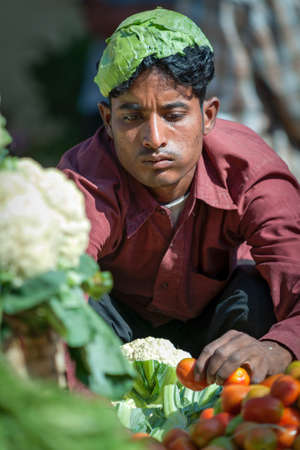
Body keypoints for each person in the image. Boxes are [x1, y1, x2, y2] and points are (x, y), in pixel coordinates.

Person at [57, 8, 300, 386]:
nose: (155, 139)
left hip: (222, 340)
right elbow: (59, 285)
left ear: (208, 115)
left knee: (257, 291)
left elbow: (295, 272)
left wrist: (277, 348)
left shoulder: (249, 171)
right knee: (76, 301)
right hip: (117, 342)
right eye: (131, 118)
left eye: (173, 114)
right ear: (106, 120)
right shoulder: (84, 179)